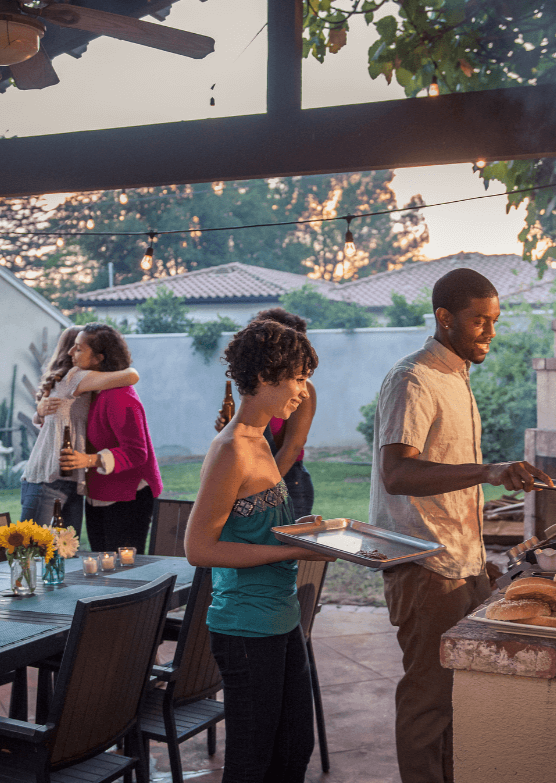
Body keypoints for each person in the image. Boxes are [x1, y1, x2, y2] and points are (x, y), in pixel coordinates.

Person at [369, 268, 554, 783]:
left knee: (457, 700)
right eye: (479, 321)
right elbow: (398, 472)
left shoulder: (456, 377)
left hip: (461, 563)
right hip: (424, 565)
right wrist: (491, 471)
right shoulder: (413, 378)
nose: (490, 333)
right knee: (429, 702)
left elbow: (447, 479)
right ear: (444, 318)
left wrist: (481, 560)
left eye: (495, 321)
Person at [185, 319, 334, 783]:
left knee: (293, 749)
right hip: (246, 627)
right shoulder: (230, 449)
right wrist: (289, 552)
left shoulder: (261, 439)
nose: (303, 391)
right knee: (252, 764)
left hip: (280, 617)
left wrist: (301, 532)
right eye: (298, 378)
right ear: (268, 376)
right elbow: (199, 548)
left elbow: (258, 525)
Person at [21, 325, 140, 532]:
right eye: (75, 347)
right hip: (50, 479)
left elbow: (49, 420)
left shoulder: (78, 383)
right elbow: (131, 376)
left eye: (79, 348)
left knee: (65, 550)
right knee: (30, 547)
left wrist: (39, 412)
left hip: (69, 479)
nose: (72, 352)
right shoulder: (75, 377)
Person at [58, 323, 161, 553]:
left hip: (128, 495)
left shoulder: (120, 396)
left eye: (78, 349)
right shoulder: (93, 390)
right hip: (100, 492)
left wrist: (88, 461)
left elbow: (137, 452)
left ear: (99, 358)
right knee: (104, 569)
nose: (70, 353)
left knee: (123, 571)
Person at [215, 308, 318, 517]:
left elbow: (293, 446)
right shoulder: (229, 447)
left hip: (288, 475)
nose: (304, 392)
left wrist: (264, 492)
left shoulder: (299, 395)